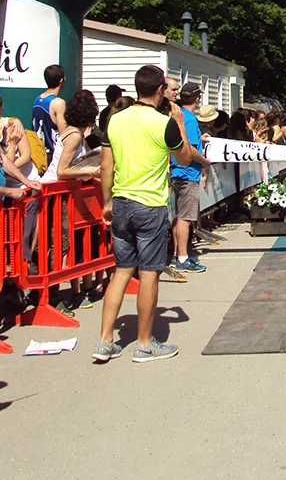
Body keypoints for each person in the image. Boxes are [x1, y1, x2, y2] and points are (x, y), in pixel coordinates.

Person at [93, 64, 191, 363]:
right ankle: (145, 343)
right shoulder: (164, 123)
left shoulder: (116, 120)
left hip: (122, 200)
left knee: (121, 270)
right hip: (150, 203)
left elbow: (106, 165)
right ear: (160, 89)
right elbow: (184, 157)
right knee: (149, 273)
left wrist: (107, 201)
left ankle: (105, 340)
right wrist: (180, 122)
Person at [42, 89, 103, 310]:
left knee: (59, 242)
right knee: (61, 243)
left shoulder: (71, 132)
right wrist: (92, 171)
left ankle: (56, 294)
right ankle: (53, 296)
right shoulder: (75, 136)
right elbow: (62, 170)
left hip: (59, 191)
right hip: (55, 192)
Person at [171, 82, 210, 274]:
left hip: (176, 170)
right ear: (197, 98)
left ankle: (177, 253)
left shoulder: (178, 115)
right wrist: (204, 161)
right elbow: (191, 149)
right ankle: (182, 257)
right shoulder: (190, 119)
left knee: (178, 217)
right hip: (188, 172)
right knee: (185, 218)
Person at [32, 64, 67, 160]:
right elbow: (64, 134)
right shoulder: (58, 103)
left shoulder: (37, 99)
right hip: (53, 155)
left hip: (39, 153)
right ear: (61, 80)